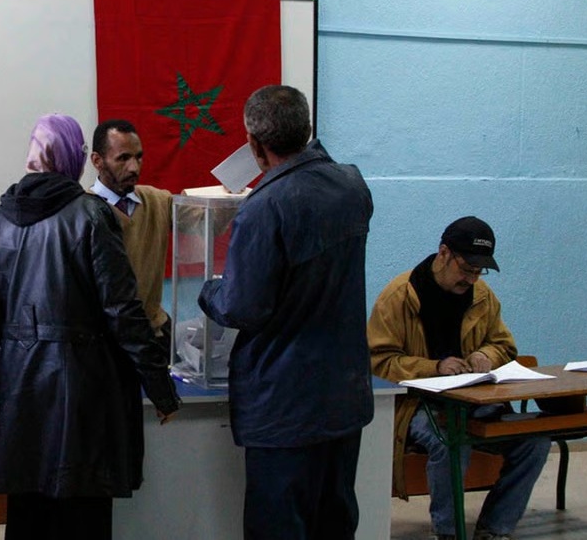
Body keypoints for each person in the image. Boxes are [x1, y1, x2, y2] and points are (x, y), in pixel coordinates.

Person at [0, 114, 180, 540]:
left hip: (21, 391)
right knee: (82, 515)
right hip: (83, 391)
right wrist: (160, 387)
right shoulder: (90, 215)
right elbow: (123, 310)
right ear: (77, 157)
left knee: (28, 511)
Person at [198, 85, 374, 540]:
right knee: (334, 522)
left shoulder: (264, 208)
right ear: (308, 128)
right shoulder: (353, 186)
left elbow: (242, 306)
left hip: (283, 404)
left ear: (255, 146)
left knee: (279, 526)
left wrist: (209, 291)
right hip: (342, 395)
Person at [368, 216, 551, 540]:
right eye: (466, 268)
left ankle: (495, 529)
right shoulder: (399, 296)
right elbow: (378, 362)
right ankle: (449, 533)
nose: (471, 278)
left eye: (479, 271)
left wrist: (486, 356)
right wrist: (433, 367)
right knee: (451, 441)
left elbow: (503, 345)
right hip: (416, 405)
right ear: (443, 253)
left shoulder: (482, 297)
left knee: (534, 441)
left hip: (473, 399)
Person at [89, 119, 172, 334]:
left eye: (138, 157)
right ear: (97, 161)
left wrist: (233, 188)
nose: (134, 167)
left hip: (152, 332)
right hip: (104, 340)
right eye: (123, 158)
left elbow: (209, 221)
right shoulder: (81, 211)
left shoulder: (158, 201)